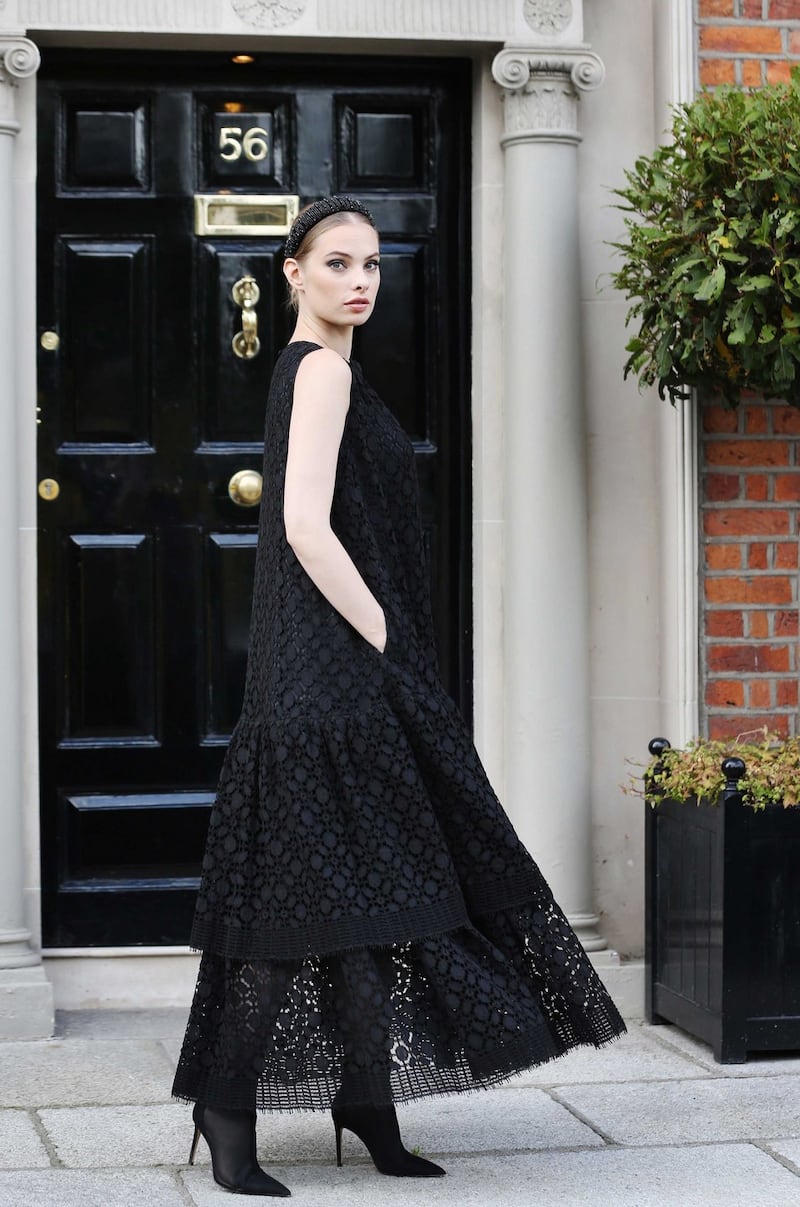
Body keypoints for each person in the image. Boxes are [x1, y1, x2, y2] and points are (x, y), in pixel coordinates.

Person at [172, 196, 626, 1197]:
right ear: (291, 272)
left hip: (329, 671)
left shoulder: (313, 368)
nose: (360, 280)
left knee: (369, 894)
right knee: (295, 910)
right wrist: (382, 634)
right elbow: (300, 524)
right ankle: (226, 1103)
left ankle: (364, 1098)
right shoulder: (322, 372)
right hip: (334, 674)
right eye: (336, 263)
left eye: (371, 263)